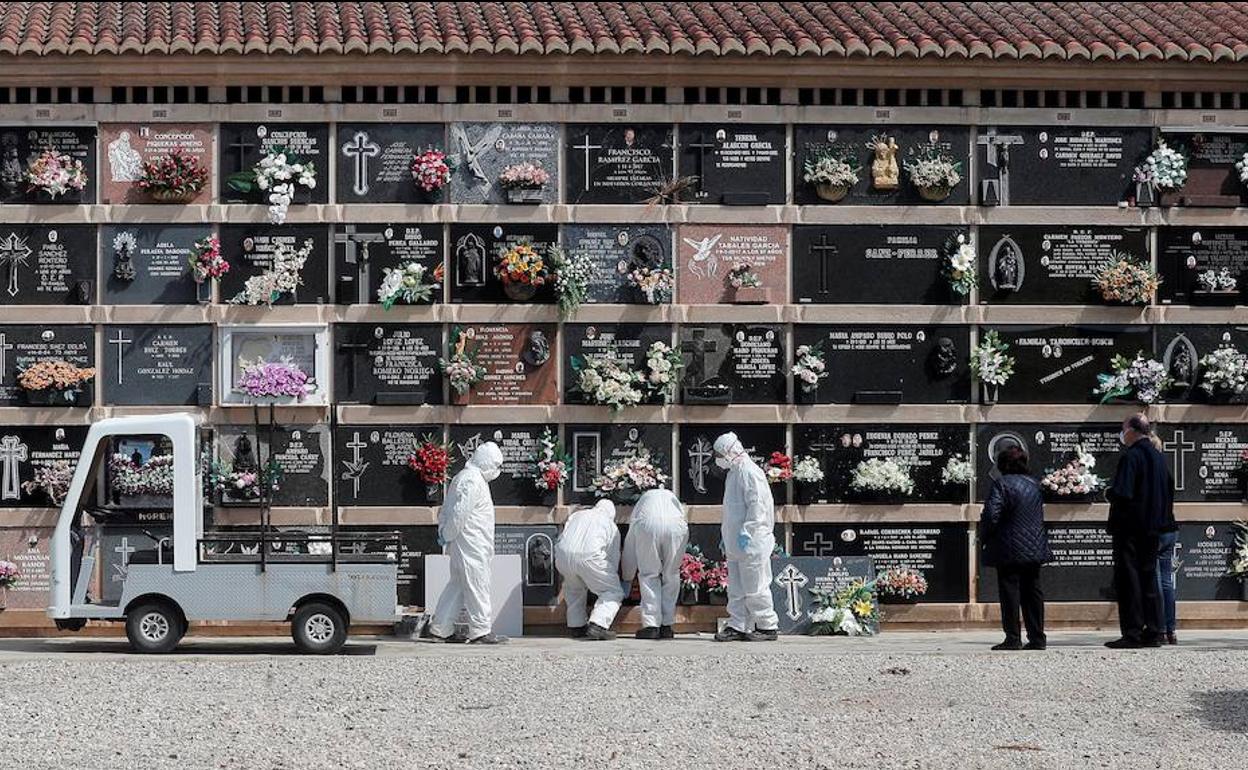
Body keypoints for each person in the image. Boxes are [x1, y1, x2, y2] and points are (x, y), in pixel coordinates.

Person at [425, 442, 507, 645]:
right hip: (472, 544)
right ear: (486, 462)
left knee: (458, 586)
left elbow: (448, 509)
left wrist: (446, 533)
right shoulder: (473, 480)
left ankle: (440, 629)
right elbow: (459, 513)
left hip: (467, 543)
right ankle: (480, 631)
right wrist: (448, 533)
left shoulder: (466, 477)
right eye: (496, 465)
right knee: (478, 584)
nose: (497, 471)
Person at [1105, 414, 1175, 649]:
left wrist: (1109, 494)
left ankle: (1132, 632)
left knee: (1129, 580)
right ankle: (1154, 630)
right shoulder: (1157, 456)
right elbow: (1168, 488)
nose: (1122, 434)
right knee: (1148, 578)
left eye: (1123, 429)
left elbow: (1123, 492)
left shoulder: (1132, 456)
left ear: (1133, 430)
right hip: (1153, 527)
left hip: (1130, 528)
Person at [981, 445, 1051, 651]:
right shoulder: (1035, 484)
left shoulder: (1001, 484)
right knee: (1033, 592)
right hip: (1034, 546)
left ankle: (1013, 637)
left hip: (1009, 547)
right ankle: (1037, 637)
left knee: (1010, 592)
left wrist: (985, 535)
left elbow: (991, 515)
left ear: (1003, 464)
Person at [712, 432, 779, 642]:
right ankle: (738, 624)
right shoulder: (734, 472)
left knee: (756, 585)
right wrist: (728, 536)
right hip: (736, 543)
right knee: (737, 587)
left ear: (729, 452)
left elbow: (757, 507)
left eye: (719, 454)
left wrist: (747, 533)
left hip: (752, 541)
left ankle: (767, 625)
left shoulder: (750, 472)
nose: (717, 459)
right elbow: (733, 510)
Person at [621, 488, 689, 640]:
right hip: (676, 525)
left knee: (649, 574)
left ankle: (651, 625)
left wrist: (627, 576)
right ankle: (667, 625)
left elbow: (630, 546)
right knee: (671, 574)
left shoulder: (642, 503)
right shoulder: (673, 500)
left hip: (647, 524)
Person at [554, 499, 623, 641]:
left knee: (573, 588)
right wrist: (611, 577)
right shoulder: (610, 525)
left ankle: (576, 626)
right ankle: (598, 625)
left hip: (563, 555)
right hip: (590, 557)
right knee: (612, 591)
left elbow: (564, 533)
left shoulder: (577, 515)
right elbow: (612, 556)